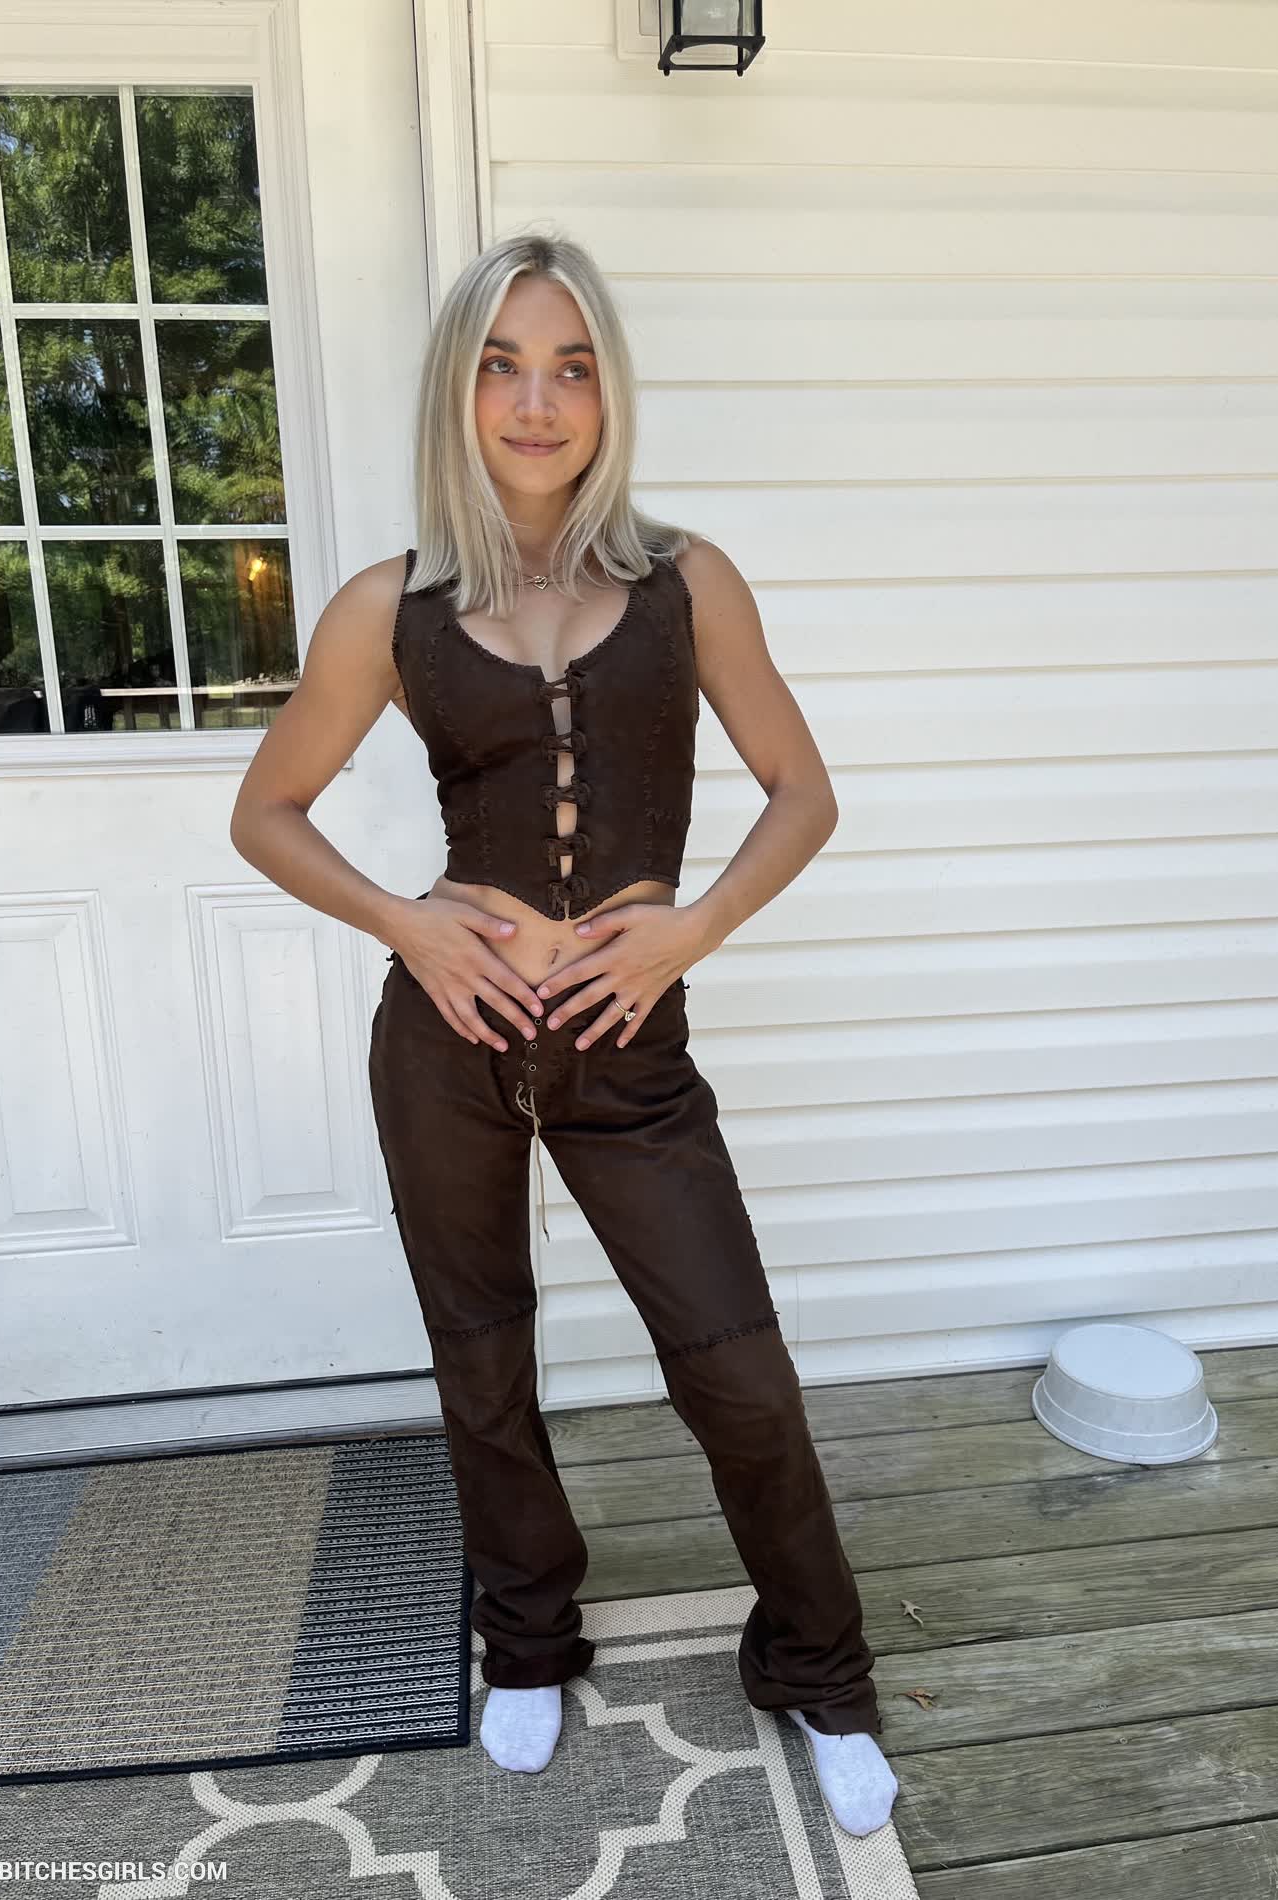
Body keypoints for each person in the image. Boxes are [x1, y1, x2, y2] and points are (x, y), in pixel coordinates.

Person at [229, 231, 898, 1837]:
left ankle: (817, 1667)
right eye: (502, 365)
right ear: (457, 392)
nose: (537, 402)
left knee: (738, 1372)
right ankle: (527, 1638)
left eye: (571, 366)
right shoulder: (389, 608)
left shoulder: (686, 583)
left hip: (629, 1049)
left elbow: (802, 793)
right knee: (482, 1360)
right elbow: (265, 812)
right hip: (445, 1042)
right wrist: (407, 923)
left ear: (608, 393)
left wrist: (688, 929)